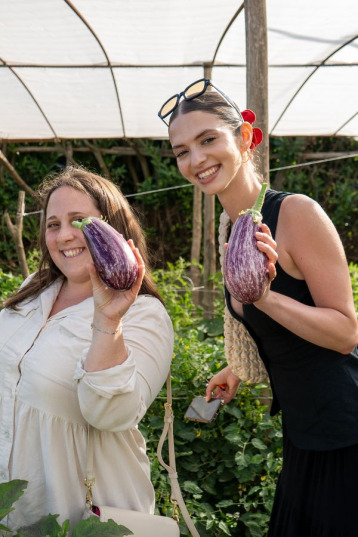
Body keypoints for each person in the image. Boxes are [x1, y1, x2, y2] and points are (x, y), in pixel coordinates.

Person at [158, 78, 358, 536]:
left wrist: (266, 297)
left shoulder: (295, 214)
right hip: (305, 432)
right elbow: (273, 328)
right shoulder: (230, 228)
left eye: (208, 140)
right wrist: (238, 368)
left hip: (346, 432)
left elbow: (346, 332)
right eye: (182, 151)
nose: (196, 159)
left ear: (245, 138)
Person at [0, 166, 174, 532]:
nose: (64, 235)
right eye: (53, 224)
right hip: (14, 514)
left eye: (78, 221)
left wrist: (108, 321)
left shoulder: (144, 314)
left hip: (81, 521)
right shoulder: (35, 288)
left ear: (112, 228)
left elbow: (114, 414)